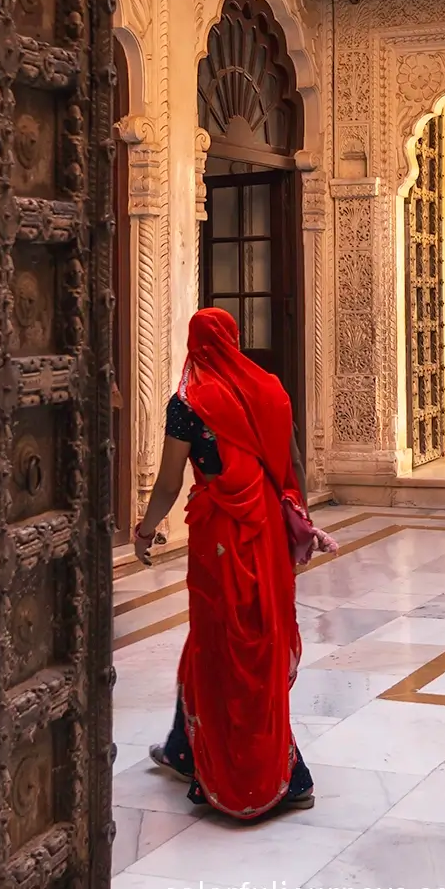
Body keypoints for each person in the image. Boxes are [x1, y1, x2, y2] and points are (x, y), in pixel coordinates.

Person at [133, 306, 315, 818]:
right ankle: (187, 748)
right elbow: (293, 464)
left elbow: (170, 482)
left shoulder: (188, 403)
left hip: (218, 536)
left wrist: (146, 530)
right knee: (256, 641)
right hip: (264, 535)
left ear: (195, 343)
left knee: (223, 646)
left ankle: (257, 776)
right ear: (234, 340)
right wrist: (299, 521)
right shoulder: (270, 391)